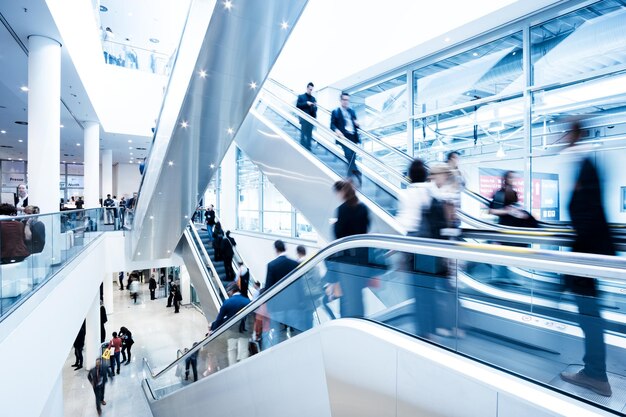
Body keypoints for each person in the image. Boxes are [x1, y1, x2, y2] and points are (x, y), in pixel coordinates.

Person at [559, 121, 614, 397]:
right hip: (587, 255)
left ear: (575, 134)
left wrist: (576, 263)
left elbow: (587, 216)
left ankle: (595, 374)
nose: (561, 137)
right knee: (589, 315)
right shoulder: (584, 165)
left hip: (586, 257)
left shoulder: (585, 165)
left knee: (589, 316)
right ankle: (594, 371)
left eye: (565, 132)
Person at [327, 181, 370, 318]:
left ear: (343, 193)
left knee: (347, 296)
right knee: (358, 294)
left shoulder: (342, 209)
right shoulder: (363, 208)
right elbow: (365, 230)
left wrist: (335, 224)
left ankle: (348, 321)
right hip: (362, 259)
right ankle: (360, 320)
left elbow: (338, 234)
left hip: (347, 261)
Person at [330, 92, 361, 182]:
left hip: (353, 137)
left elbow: (356, 124)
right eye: (344, 100)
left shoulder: (352, 111)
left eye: (347, 100)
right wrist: (336, 130)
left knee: (352, 158)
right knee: (348, 155)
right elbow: (332, 124)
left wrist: (357, 124)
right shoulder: (336, 112)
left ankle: (349, 178)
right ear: (340, 100)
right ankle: (356, 172)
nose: (346, 102)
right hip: (343, 136)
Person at [296, 82, 317, 150]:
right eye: (310, 89)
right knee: (303, 134)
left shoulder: (313, 99)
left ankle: (308, 148)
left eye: (312, 89)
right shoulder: (301, 96)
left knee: (309, 135)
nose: (311, 91)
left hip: (311, 119)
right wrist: (306, 103)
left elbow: (315, 110)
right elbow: (298, 105)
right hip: (304, 119)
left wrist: (314, 106)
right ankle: (302, 148)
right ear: (307, 88)